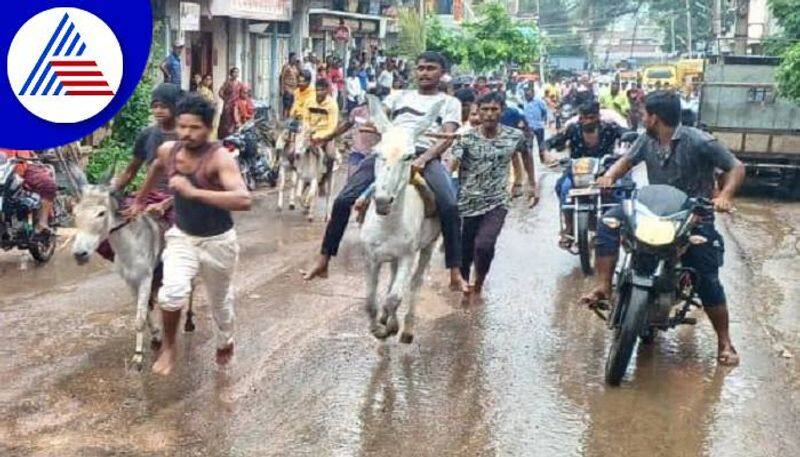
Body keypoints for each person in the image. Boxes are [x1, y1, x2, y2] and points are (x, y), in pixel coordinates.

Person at [581, 90, 746, 366]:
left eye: (644, 113)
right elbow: (627, 161)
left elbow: (736, 167)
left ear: (654, 117)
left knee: (707, 275)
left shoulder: (698, 140)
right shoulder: (646, 139)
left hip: (693, 215)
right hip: (654, 210)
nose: (642, 118)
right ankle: (603, 287)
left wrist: (725, 196)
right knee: (609, 221)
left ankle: (725, 341)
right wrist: (608, 176)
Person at [301, 51, 469, 293]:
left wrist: (423, 159)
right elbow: (380, 119)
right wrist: (373, 126)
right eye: (421, 68)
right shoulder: (398, 96)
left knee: (450, 205)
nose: (424, 73)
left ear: (442, 74)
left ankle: (455, 272)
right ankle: (324, 258)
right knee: (343, 199)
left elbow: (447, 136)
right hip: (389, 152)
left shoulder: (449, 102)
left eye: (431, 68)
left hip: (422, 154)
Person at [127, 94, 252, 376]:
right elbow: (156, 167)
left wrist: (194, 192)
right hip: (183, 237)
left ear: (208, 128)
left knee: (221, 304)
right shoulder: (169, 150)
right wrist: (139, 199)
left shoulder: (219, 158)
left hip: (218, 242)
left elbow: (244, 200)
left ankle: (226, 339)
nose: (186, 133)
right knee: (171, 294)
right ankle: (170, 347)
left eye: (194, 128)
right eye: (182, 126)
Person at [450, 92, 539, 294]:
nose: (489, 114)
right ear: (478, 112)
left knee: (484, 244)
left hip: (497, 201)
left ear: (502, 111)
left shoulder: (514, 136)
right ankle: (463, 281)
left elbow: (526, 156)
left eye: (494, 109)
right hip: (468, 202)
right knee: (466, 247)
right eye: (485, 110)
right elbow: (451, 164)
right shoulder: (466, 138)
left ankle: (479, 280)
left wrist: (531, 184)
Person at [546, 101, 628, 249]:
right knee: (562, 187)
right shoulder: (572, 129)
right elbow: (552, 142)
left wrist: (630, 139)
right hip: (576, 170)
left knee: (621, 190)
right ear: (579, 117)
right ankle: (569, 228)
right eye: (584, 117)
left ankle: (623, 229)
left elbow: (626, 134)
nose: (587, 121)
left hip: (604, 171)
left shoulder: (610, 128)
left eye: (591, 117)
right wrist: (546, 153)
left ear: (598, 117)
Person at [0, 149, 56, 234]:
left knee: (48, 184)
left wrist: (35, 157)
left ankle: (42, 222)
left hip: (25, 168)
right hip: (4, 171)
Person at [523, 86, 549, 162]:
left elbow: (544, 111)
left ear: (533, 93)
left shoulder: (539, 101)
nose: (527, 95)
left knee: (541, 144)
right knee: (529, 145)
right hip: (528, 127)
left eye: (529, 93)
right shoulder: (523, 102)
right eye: (526, 94)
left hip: (539, 126)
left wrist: (542, 120)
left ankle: (543, 160)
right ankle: (529, 162)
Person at [217, 67, 243, 139]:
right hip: (228, 105)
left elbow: (242, 94)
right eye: (234, 72)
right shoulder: (227, 83)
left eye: (237, 72)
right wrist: (226, 99)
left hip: (236, 105)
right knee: (227, 121)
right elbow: (220, 92)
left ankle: (235, 136)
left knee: (235, 120)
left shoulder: (240, 84)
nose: (236, 74)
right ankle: (225, 136)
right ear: (231, 74)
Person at [280, 52, 300, 118]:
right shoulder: (286, 67)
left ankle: (289, 120)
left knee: (292, 106)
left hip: (293, 90)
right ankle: (285, 119)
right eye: (294, 58)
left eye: (295, 58)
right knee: (286, 106)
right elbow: (282, 77)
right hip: (287, 89)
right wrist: (281, 89)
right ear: (290, 58)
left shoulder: (295, 67)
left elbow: (298, 76)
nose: (295, 59)